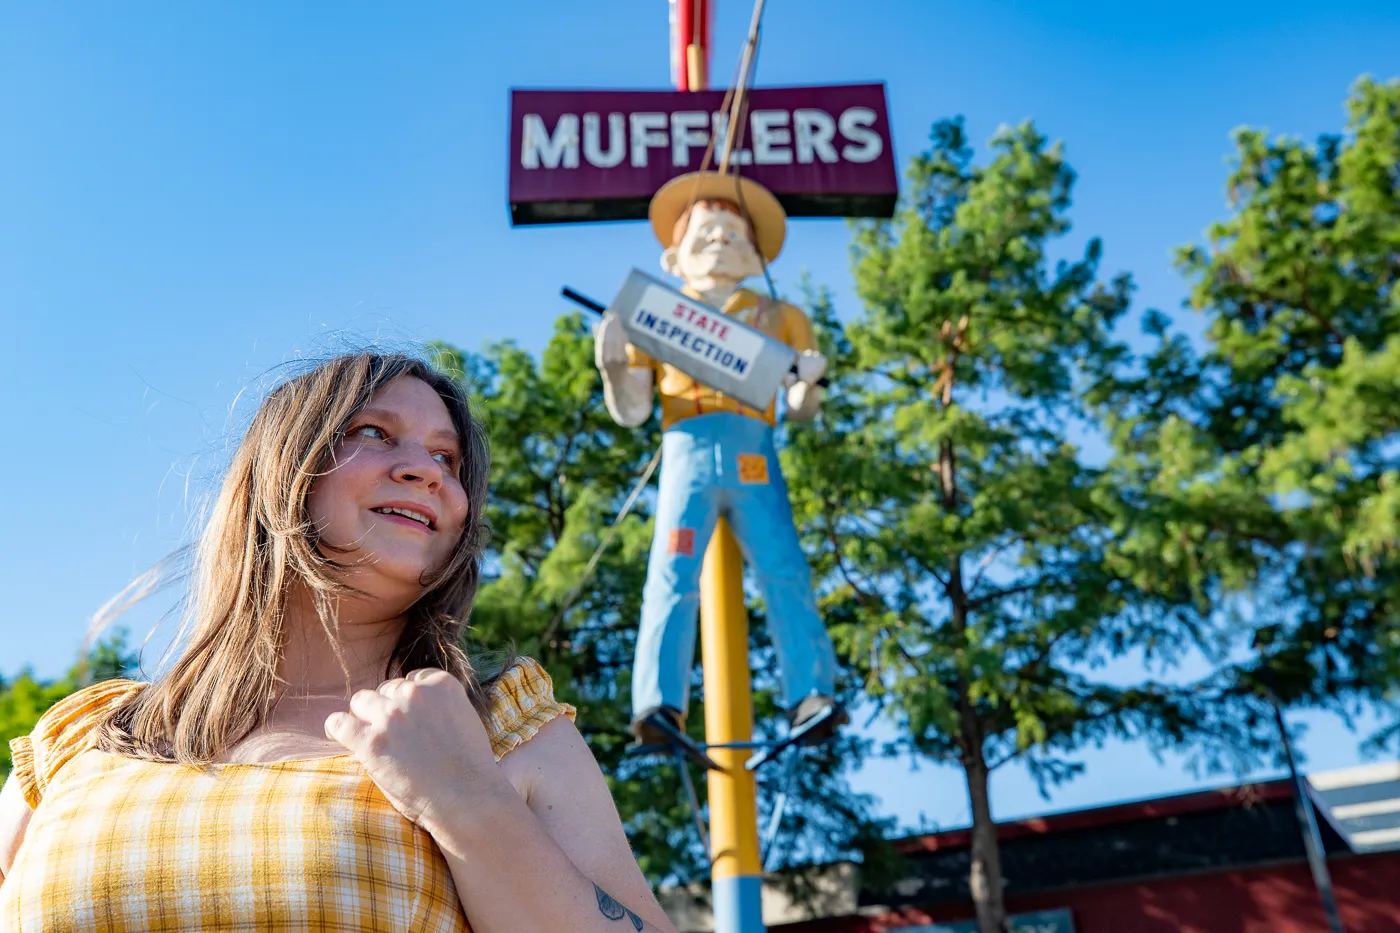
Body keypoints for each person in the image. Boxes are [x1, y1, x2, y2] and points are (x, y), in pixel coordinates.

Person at [0, 352, 680, 933]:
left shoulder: (504, 726)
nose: (427, 470)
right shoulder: (82, 739)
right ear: (281, 468)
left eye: (447, 457)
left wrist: (466, 798)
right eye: (376, 433)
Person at [593, 170, 846, 754]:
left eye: (734, 234)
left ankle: (812, 692)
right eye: (706, 231)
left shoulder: (781, 314)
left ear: (756, 256)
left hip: (755, 453)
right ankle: (657, 703)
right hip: (684, 451)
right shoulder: (654, 313)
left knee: (784, 568)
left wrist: (811, 382)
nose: (720, 241)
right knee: (671, 570)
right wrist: (611, 367)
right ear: (672, 254)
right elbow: (632, 408)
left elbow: (804, 405)